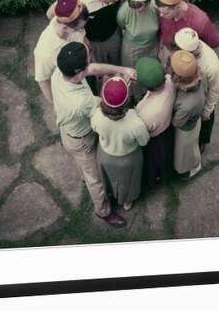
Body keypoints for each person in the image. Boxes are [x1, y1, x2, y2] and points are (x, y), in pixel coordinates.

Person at [51, 42, 137, 227]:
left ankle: (84, 175)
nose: (91, 62)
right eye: (87, 61)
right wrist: (121, 88)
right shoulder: (82, 102)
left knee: (85, 169)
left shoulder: (59, 73)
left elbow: (93, 68)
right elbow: (106, 107)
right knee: (95, 179)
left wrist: (122, 69)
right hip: (82, 141)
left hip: (69, 132)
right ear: (78, 71)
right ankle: (103, 211)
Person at [47, 0, 134, 91]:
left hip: (114, 33)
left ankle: (121, 87)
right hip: (94, 40)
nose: (111, 2)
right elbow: (50, 13)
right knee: (100, 71)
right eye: (107, 0)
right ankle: (105, 92)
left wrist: (127, 1)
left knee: (116, 64)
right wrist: (73, 30)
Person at [91, 77, 150, 211]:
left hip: (105, 156)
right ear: (127, 101)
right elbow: (144, 141)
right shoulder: (135, 122)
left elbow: (94, 128)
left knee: (109, 178)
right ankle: (127, 202)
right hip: (129, 159)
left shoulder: (97, 116)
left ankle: (110, 194)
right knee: (129, 182)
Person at [174, 27, 219, 154]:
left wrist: (207, 112)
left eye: (179, 48)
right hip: (190, 91)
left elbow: (215, 91)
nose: (177, 50)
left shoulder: (212, 66)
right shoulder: (190, 47)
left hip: (204, 97)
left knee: (205, 124)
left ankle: (202, 142)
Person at [34, 0, 89, 103]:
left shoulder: (68, 18)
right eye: (79, 28)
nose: (81, 30)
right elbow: (42, 80)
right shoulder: (45, 52)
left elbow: (82, 35)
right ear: (65, 27)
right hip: (68, 87)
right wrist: (55, 104)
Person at [155, 0, 219, 68]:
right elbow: (162, 31)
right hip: (167, 51)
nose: (161, 15)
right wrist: (162, 48)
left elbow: (214, 42)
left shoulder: (200, 21)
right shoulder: (162, 10)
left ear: (177, 7)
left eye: (165, 13)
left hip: (188, 61)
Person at [135, 58, 176, 189]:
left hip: (154, 140)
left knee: (153, 163)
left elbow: (142, 136)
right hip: (167, 129)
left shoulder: (144, 114)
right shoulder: (170, 81)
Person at [116, 0, 159, 101]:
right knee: (133, 74)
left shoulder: (156, 5)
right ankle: (135, 97)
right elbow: (122, 25)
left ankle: (149, 94)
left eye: (139, 6)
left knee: (149, 71)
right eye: (132, 6)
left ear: (148, 2)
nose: (136, 10)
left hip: (152, 46)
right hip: (132, 49)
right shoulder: (123, 12)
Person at [170, 50, 206, 179]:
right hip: (193, 121)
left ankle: (194, 167)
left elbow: (176, 122)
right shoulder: (199, 73)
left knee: (184, 154)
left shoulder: (187, 106)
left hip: (185, 130)